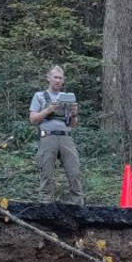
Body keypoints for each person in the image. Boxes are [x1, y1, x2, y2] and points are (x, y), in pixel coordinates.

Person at [29, 64, 84, 205]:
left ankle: (77, 204)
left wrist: (74, 113)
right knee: (47, 173)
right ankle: (45, 204)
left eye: (60, 78)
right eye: (55, 77)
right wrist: (48, 110)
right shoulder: (39, 96)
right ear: (48, 78)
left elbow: (72, 124)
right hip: (47, 137)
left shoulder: (68, 98)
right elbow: (33, 120)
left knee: (74, 171)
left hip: (66, 137)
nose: (58, 80)